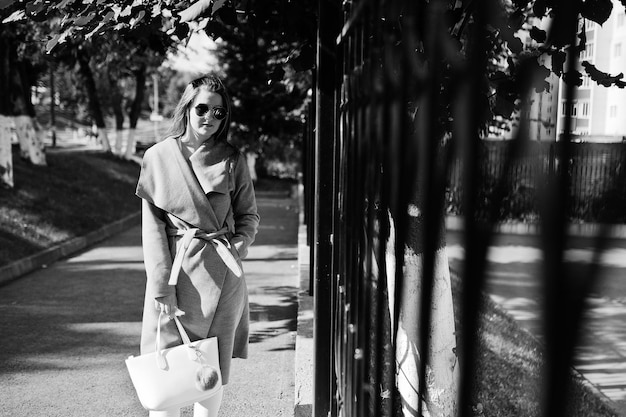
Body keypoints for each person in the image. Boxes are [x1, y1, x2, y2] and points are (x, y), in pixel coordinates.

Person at [135, 75, 260, 417]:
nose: (210, 118)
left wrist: (238, 243)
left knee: (210, 376)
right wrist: (161, 287)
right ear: (188, 107)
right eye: (203, 108)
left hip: (222, 279)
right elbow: (153, 229)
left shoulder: (233, 159)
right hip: (174, 278)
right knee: (168, 373)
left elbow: (248, 216)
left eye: (219, 112)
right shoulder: (158, 157)